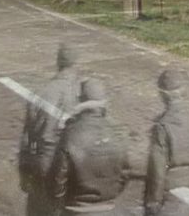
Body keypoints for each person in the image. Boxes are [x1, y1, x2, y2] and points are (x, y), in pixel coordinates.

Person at [19, 43, 84, 216]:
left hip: (41, 162)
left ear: (58, 63)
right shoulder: (79, 95)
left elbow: (26, 138)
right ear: (76, 65)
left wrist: (23, 172)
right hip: (67, 166)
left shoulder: (40, 91)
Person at [52, 79, 130, 215]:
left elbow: (58, 178)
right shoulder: (118, 133)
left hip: (77, 208)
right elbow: (125, 174)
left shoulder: (71, 133)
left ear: (81, 102)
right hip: (109, 208)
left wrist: (60, 202)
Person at [144, 68, 189, 216]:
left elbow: (157, 171)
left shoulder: (162, 127)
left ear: (162, 95)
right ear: (183, 91)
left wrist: (153, 203)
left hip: (171, 195)